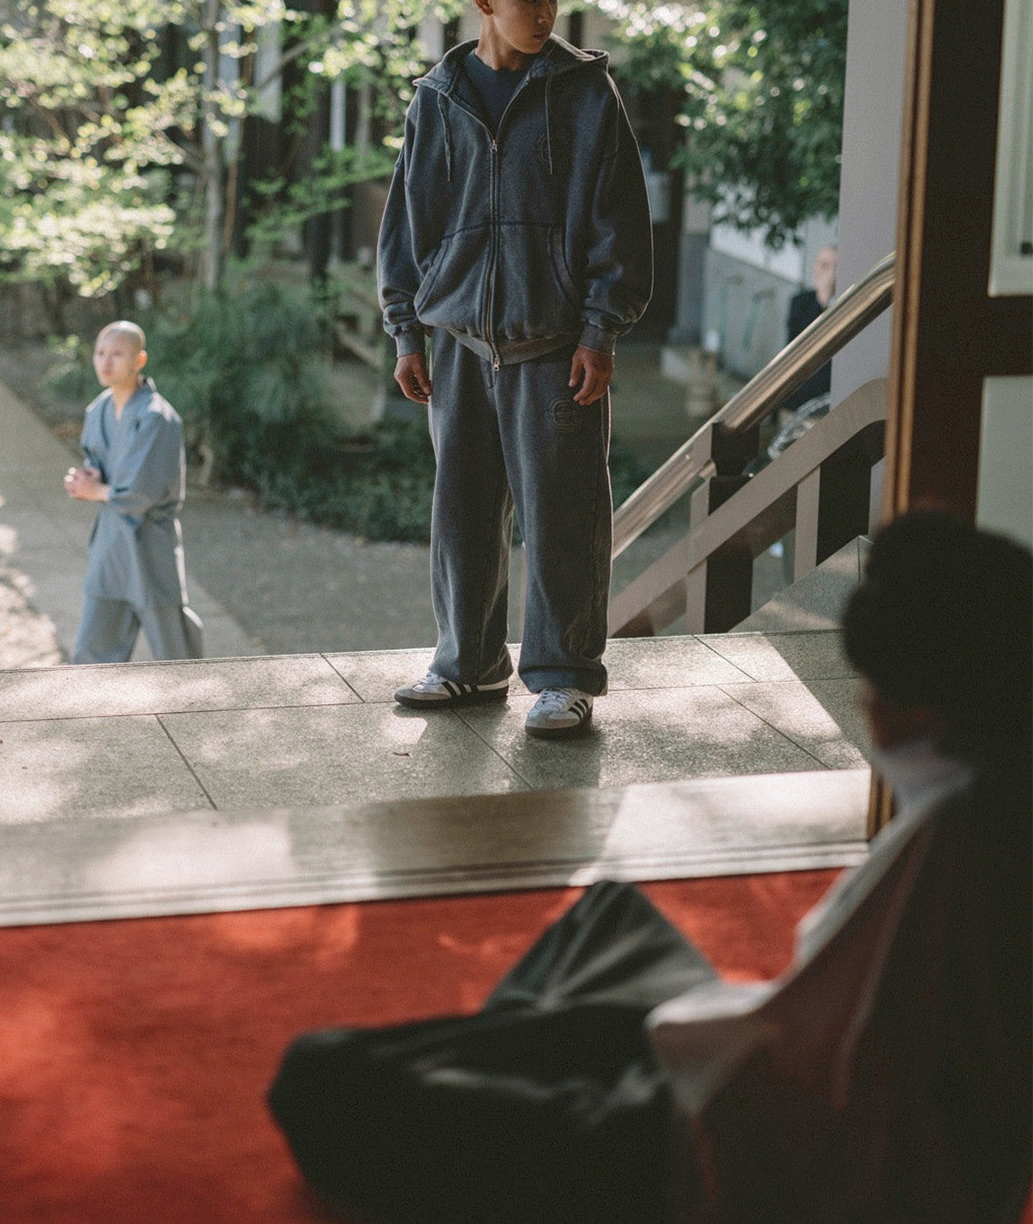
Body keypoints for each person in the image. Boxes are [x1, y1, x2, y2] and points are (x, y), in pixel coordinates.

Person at [269, 512, 1032, 1222]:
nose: (866, 708)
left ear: (922, 711)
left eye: (872, 688)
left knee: (319, 1075)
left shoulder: (964, 847)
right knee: (610, 914)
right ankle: (536, 1075)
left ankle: (538, 1092)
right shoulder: (992, 793)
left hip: (697, 1155)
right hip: (736, 1071)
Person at [377, 0, 654, 737]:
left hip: (557, 346)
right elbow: (409, 221)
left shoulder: (586, 94)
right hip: (460, 342)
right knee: (462, 511)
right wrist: (405, 330)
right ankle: (466, 665)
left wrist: (601, 331)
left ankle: (564, 676)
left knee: (565, 514)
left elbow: (619, 224)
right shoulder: (440, 97)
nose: (546, 13)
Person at [64, 320, 203, 664]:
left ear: (139, 360)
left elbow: (139, 492)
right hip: (110, 546)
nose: (105, 362)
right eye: (100, 353)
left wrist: (96, 490)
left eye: (117, 354)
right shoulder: (97, 410)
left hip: (148, 545)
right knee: (91, 653)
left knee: (174, 654)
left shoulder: (157, 418)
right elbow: (98, 467)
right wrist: (85, 480)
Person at [782, 244, 837, 411]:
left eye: (836, 267)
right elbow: (797, 345)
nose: (831, 274)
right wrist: (821, 303)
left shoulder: (850, 304)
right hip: (803, 388)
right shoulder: (801, 302)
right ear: (815, 268)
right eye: (825, 266)